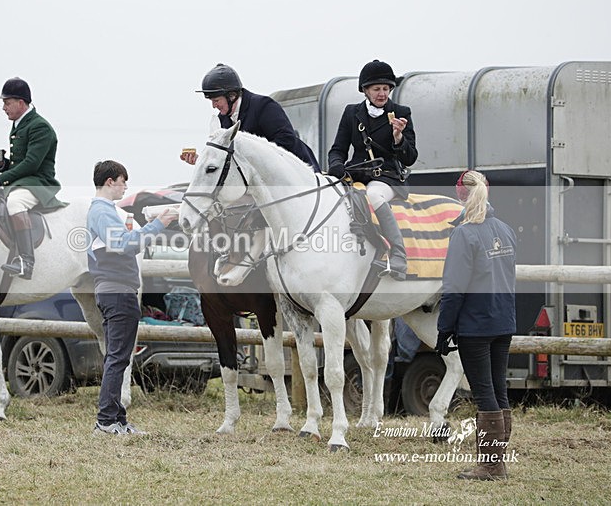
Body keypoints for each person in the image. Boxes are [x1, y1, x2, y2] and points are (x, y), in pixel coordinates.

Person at [436, 170, 516, 481]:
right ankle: (499, 462)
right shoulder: (506, 230)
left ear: (461, 195)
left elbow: (454, 288)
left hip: (475, 326)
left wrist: (445, 329)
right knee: (499, 390)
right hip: (503, 321)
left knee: (484, 394)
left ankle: (491, 465)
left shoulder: (464, 234)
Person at [87, 160, 178, 435]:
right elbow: (122, 245)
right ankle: (106, 421)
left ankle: (117, 419)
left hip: (113, 289)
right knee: (117, 357)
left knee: (119, 356)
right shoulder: (102, 212)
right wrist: (157, 226)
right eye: (122, 181)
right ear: (110, 181)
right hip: (118, 291)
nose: (125, 186)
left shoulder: (106, 212)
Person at [327, 60, 418, 280]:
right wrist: (336, 166)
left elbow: (411, 158)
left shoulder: (401, 112)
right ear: (365, 90)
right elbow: (337, 149)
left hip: (387, 178)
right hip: (357, 174)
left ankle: (398, 255)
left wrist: (398, 138)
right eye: (377, 89)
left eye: (386, 89)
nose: (382, 93)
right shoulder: (351, 113)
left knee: (374, 195)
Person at [0, 77, 65, 280]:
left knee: (15, 203)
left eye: (7, 103)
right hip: (25, 181)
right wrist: (4, 165)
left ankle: (26, 262)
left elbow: (31, 165)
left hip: (40, 184)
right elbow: (21, 165)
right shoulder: (20, 124)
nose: (3, 108)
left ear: (21, 103)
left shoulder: (40, 127)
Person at [182, 63, 321, 172]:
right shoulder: (223, 120)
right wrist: (201, 162)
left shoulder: (264, 106)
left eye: (216, 100)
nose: (214, 106)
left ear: (231, 96)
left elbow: (285, 141)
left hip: (299, 177)